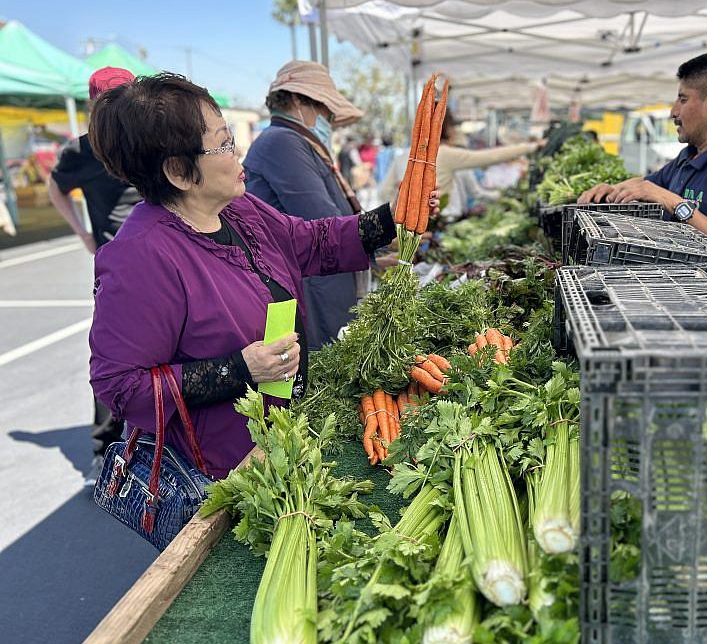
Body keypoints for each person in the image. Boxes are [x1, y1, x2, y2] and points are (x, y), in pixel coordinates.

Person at [87, 73, 436, 479]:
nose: (239, 152)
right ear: (179, 172)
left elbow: (310, 241)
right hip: (227, 472)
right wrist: (239, 369)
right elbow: (121, 388)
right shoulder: (141, 257)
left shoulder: (239, 209)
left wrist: (394, 218)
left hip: (288, 437)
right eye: (223, 142)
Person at [578, 51, 707, 278]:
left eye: (683, 99)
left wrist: (671, 201)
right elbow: (646, 187)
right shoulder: (688, 156)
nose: (673, 111)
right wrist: (610, 190)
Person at [48, 66, 142, 482]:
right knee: (113, 356)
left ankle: (163, 443)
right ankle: (105, 451)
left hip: (164, 257)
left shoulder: (150, 137)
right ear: (93, 105)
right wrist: (83, 233)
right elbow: (55, 186)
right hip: (115, 265)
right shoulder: (80, 151)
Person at [243, 61, 367, 348]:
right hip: (311, 287)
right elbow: (323, 220)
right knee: (324, 369)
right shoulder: (281, 142)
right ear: (298, 100)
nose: (328, 118)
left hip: (323, 279)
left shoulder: (298, 142)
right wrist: (386, 225)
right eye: (324, 109)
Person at [436, 113, 538, 206]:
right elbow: (492, 156)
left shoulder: (432, 153)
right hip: (444, 217)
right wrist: (532, 147)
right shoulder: (443, 153)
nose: (455, 131)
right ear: (447, 129)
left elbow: (475, 192)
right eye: (453, 127)